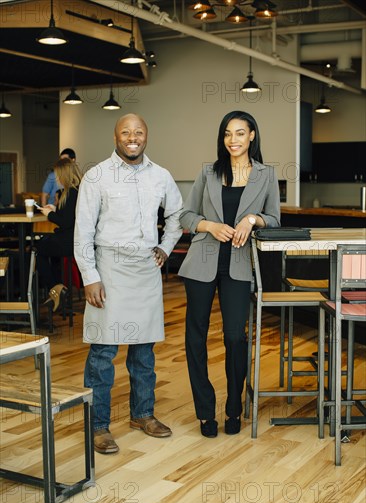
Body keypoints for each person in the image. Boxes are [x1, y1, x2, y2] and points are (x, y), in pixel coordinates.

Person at [74, 113, 183, 454]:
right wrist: (90, 277)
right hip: (109, 269)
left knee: (144, 351)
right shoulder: (97, 176)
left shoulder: (161, 176)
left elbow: (177, 216)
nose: (132, 137)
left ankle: (143, 414)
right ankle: (99, 426)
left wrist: (165, 248)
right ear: (116, 136)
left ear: (146, 135)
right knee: (103, 352)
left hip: (145, 270)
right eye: (126, 132)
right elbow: (83, 232)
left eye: (138, 132)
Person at [178, 110, 281, 438]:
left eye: (240, 133)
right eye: (227, 134)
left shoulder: (266, 175)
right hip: (201, 263)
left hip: (239, 266)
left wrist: (252, 220)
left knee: (236, 336)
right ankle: (205, 412)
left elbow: (275, 219)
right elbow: (186, 215)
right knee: (196, 337)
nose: (233, 140)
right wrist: (208, 225)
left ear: (252, 135)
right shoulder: (208, 173)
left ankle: (234, 407)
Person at [36, 157, 82, 311]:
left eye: (57, 175)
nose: (56, 178)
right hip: (73, 240)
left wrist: (49, 214)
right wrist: (55, 210)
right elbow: (70, 216)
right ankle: (57, 288)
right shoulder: (76, 191)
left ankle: (55, 287)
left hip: (69, 241)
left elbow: (66, 222)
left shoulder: (70, 194)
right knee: (46, 246)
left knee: (39, 248)